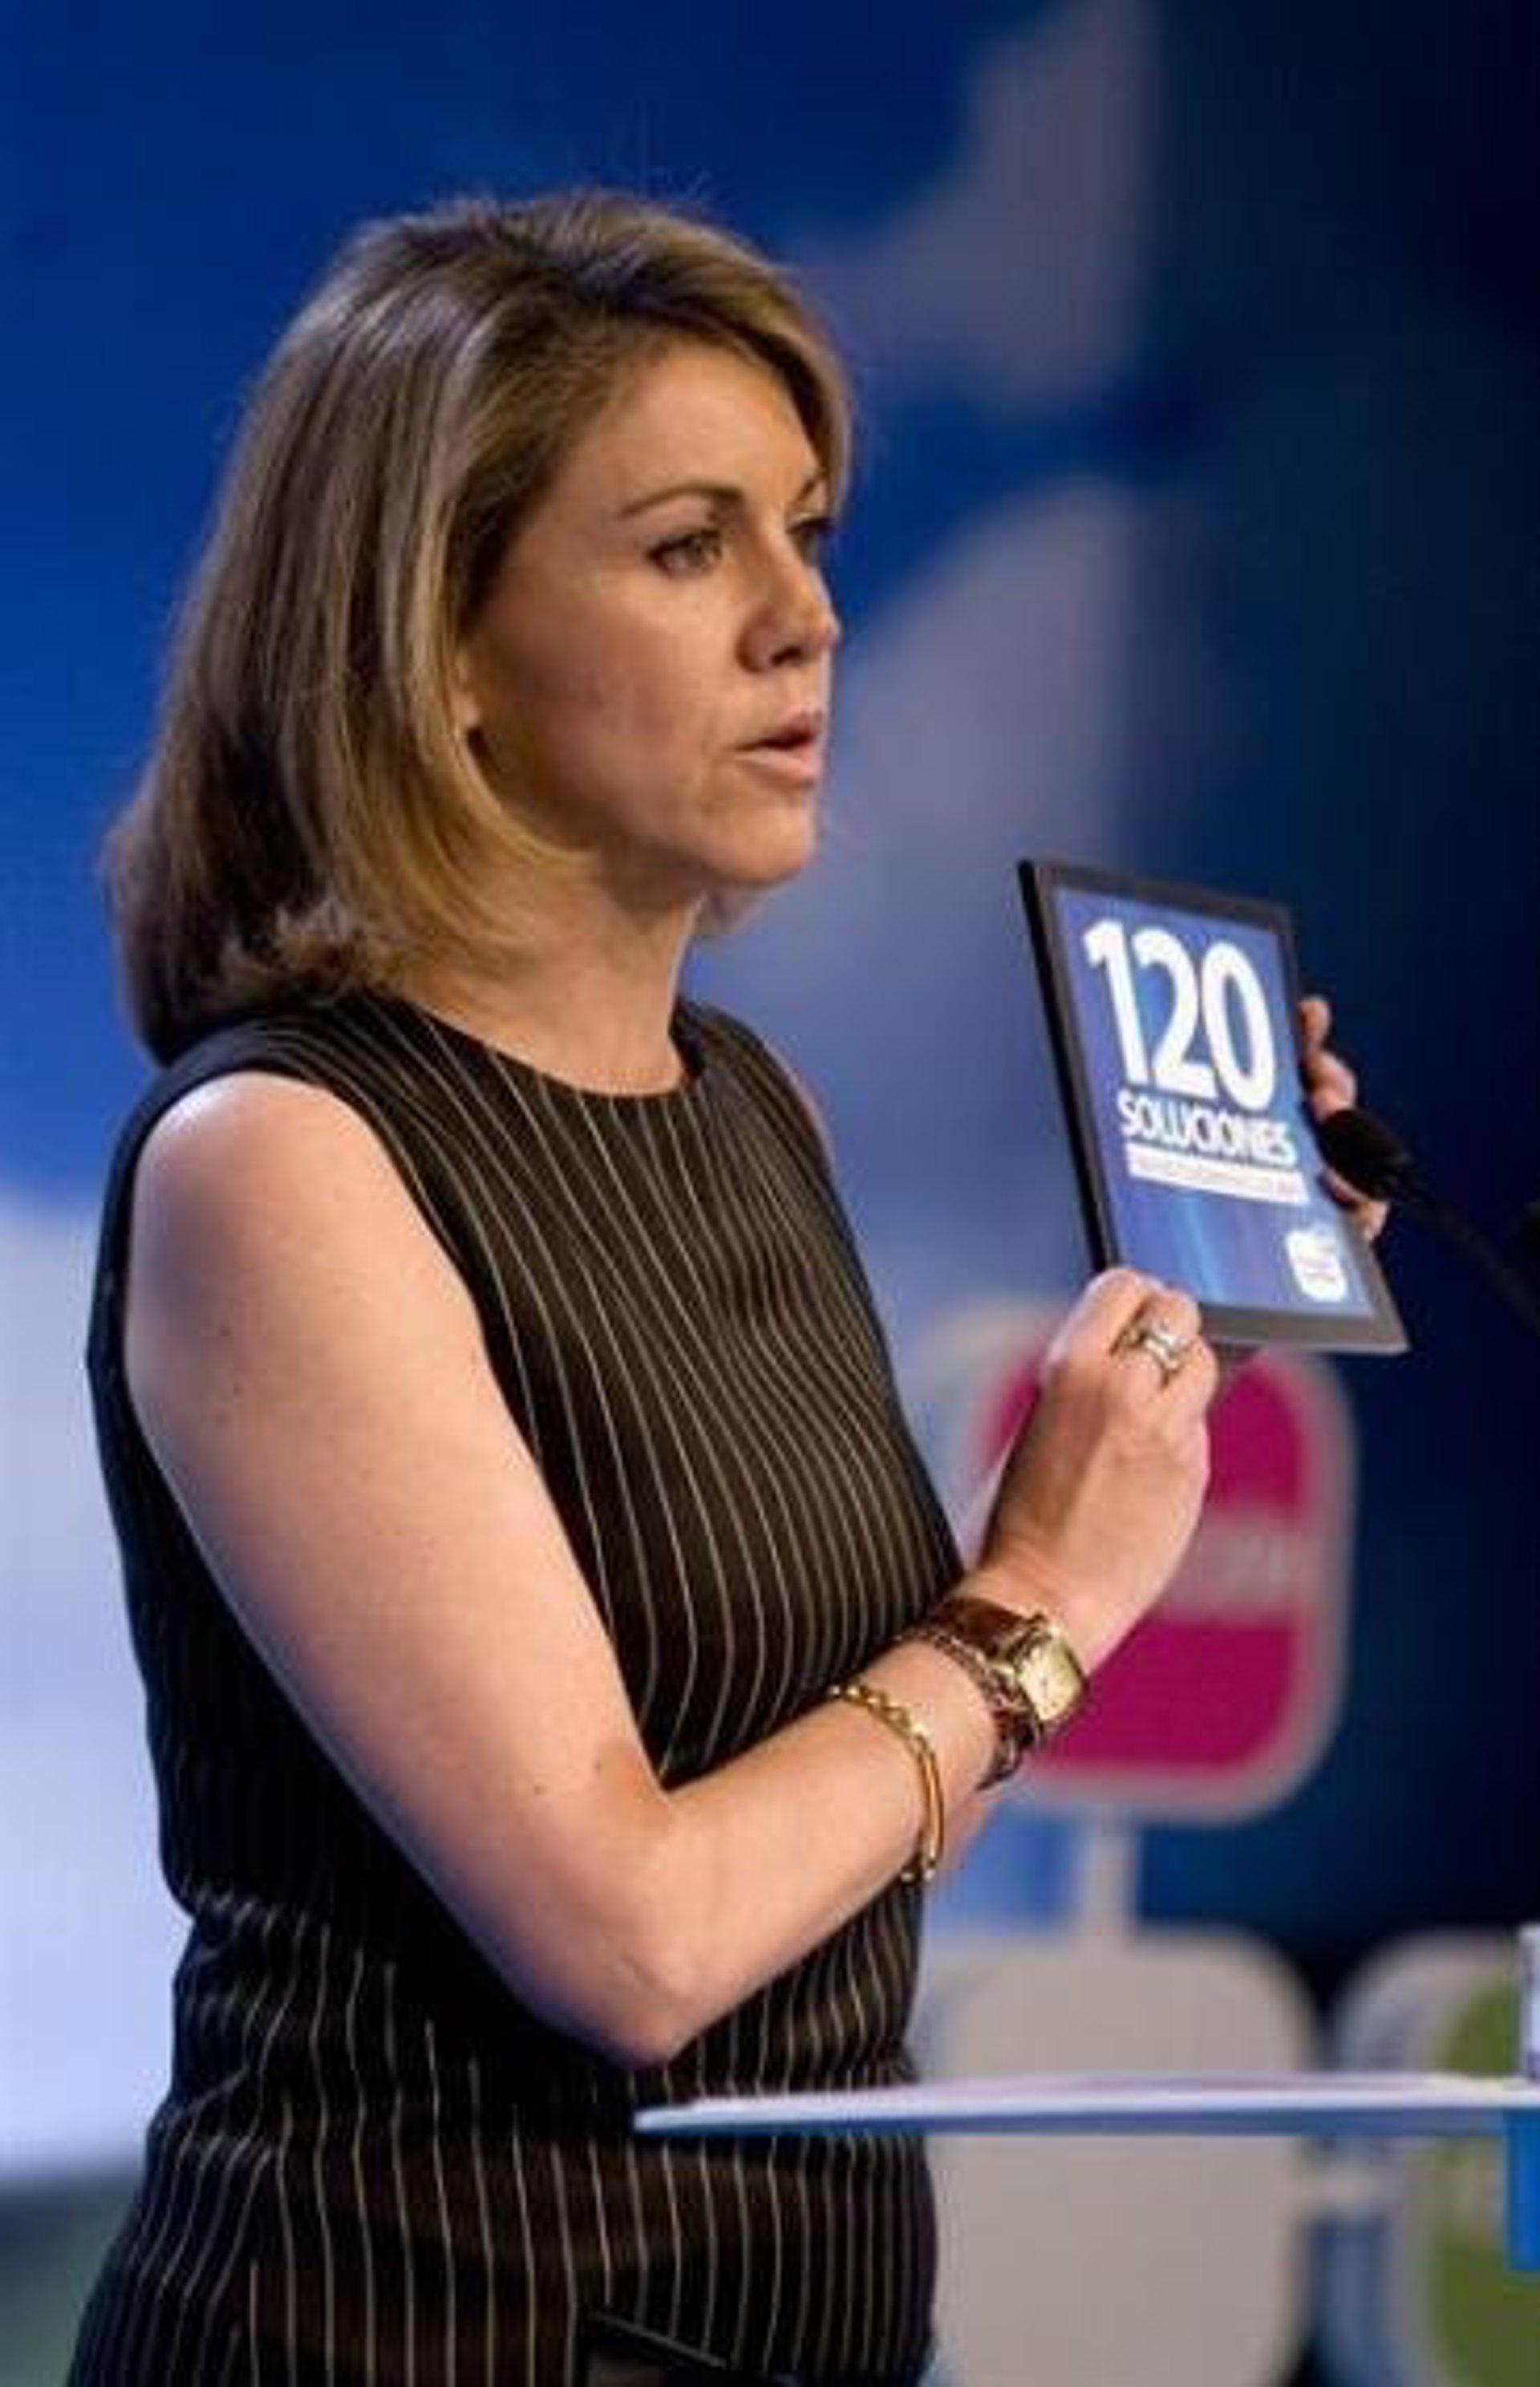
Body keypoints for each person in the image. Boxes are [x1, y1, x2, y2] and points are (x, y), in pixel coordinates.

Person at [70, 191, 1379, 2387]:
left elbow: (851, 1835)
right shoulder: (281, 1163)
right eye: (691, 547)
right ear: (439, 646)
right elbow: (635, 1944)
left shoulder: (759, 1113)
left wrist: (1168, 1366)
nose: (807, 619)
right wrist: (1039, 1591)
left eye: (811, 532)